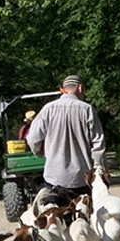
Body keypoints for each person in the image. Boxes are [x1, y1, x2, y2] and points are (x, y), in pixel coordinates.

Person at [25, 75, 104, 208]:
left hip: (54, 178)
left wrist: (39, 152)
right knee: (83, 220)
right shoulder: (87, 110)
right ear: (80, 88)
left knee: (56, 220)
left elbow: (32, 138)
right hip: (82, 178)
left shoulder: (48, 109)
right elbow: (98, 144)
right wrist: (99, 170)